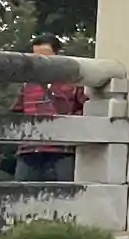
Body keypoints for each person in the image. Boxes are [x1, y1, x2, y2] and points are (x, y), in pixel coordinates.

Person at [14, 35, 86, 183]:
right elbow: (17, 112)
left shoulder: (72, 82)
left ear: (57, 55)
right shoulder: (28, 83)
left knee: (65, 192)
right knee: (22, 191)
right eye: (36, 56)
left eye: (45, 56)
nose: (40, 61)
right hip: (29, 149)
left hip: (62, 150)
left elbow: (84, 109)